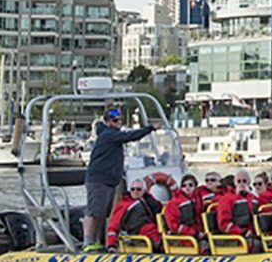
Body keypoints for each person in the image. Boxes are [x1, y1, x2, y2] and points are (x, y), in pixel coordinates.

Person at [82, 108, 156, 252]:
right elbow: (130, 136)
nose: (119, 123)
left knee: (102, 212)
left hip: (110, 180)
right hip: (99, 180)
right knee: (94, 211)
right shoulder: (108, 135)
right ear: (108, 122)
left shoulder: (111, 135)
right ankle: (87, 242)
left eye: (120, 120)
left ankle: (96, 241)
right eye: (115, 121)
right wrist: (150, 129)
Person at [106, 179, 163, 250]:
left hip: (152, 231)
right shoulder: (124, 205)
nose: (135, 192)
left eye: (138, 189)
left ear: (144, 191)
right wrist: (111, 245)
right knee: (151, 231)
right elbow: (114, 224)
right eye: (132, 189)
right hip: (136, 235)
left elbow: (160, 209)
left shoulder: (148, 201)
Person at [214, 171, 260, 249]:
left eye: (244, 181)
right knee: (256, 244)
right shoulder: (227, 199)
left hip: (251, 233)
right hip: (234, 236)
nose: (241, 183)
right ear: (235, 183)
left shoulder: (254, 198)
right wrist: (242, 232)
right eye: (239, 181)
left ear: (249, 182)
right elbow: (224, 224)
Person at [163, 173, 206, 248]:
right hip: (184, 237)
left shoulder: (198, 200)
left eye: (190, 185)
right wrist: (195, 233)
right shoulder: (174, 203)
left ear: (195, 187)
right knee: (205, 247)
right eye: (184, 185)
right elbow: (174, 226)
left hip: (198, 234)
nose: (187, 187)